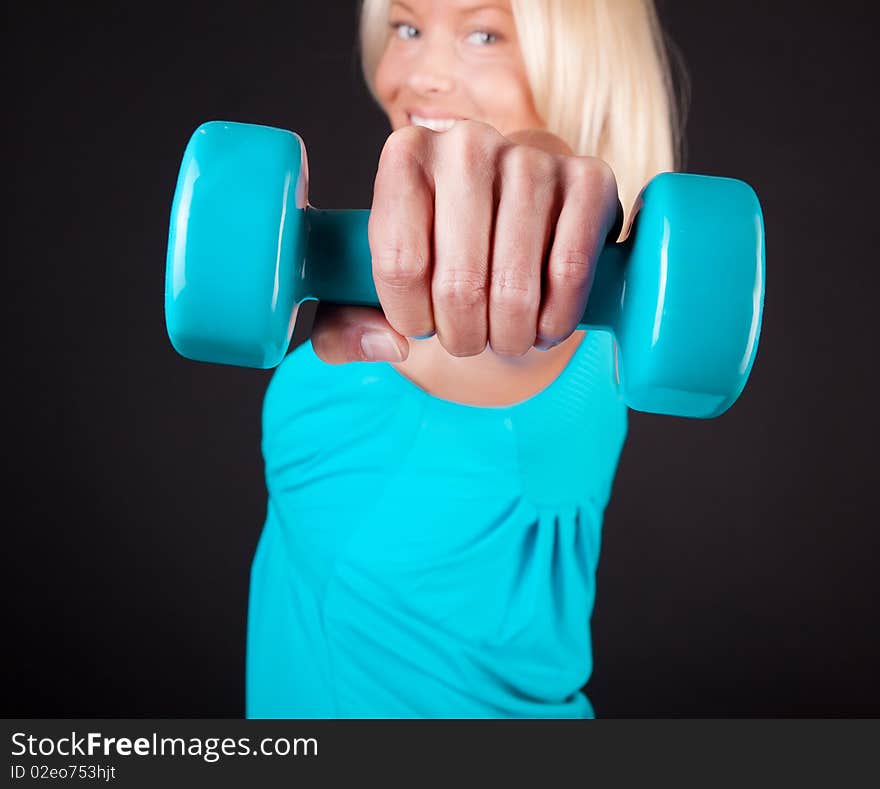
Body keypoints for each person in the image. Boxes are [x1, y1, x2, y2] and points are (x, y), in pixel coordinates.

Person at [246, 0, 684, 718]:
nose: (422, 74)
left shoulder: (543, 319)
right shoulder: (405, 276)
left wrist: (541, 168)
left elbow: (525, 276)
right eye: (408, 28)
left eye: (484, 35)